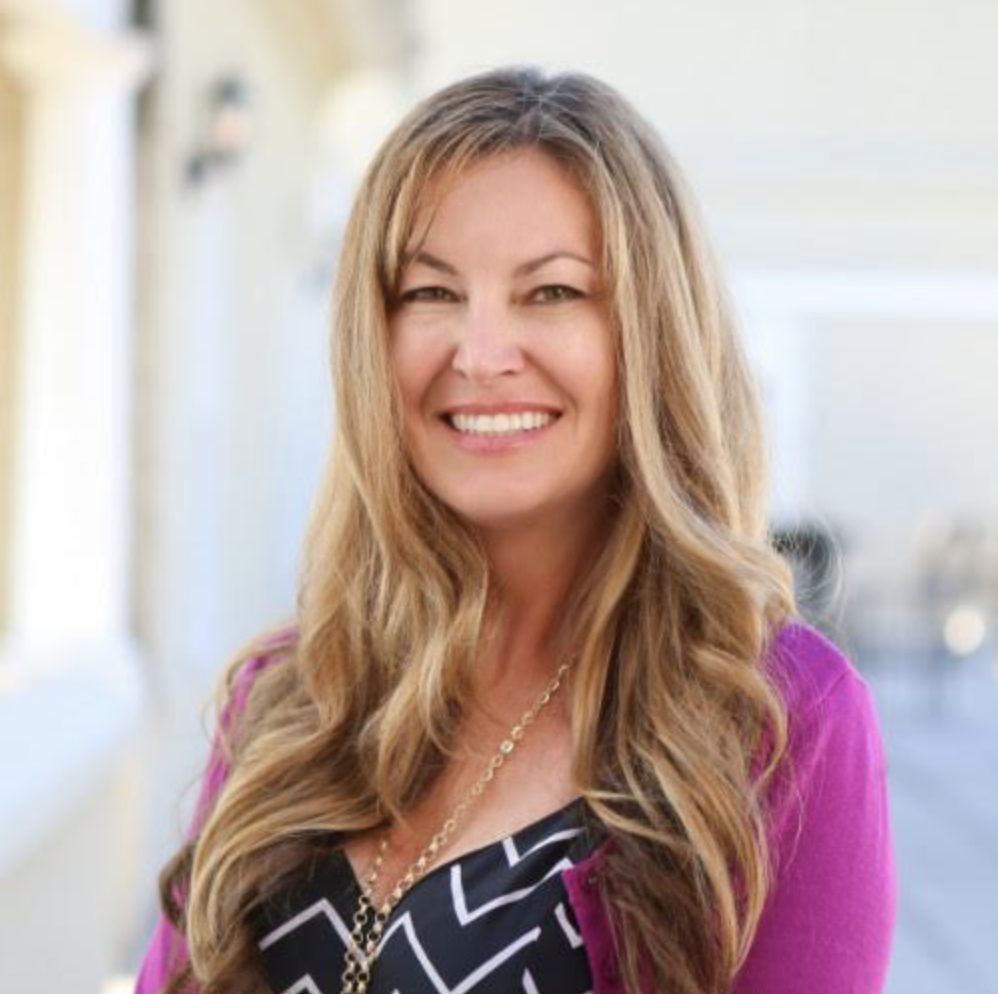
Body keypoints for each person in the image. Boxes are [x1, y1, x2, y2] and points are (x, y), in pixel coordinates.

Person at [135, 66, 896, 994]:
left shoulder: (776, 724)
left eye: (552, 293)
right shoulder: (288, 701)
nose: (482, 354)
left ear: (649, 336)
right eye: (429, 294)